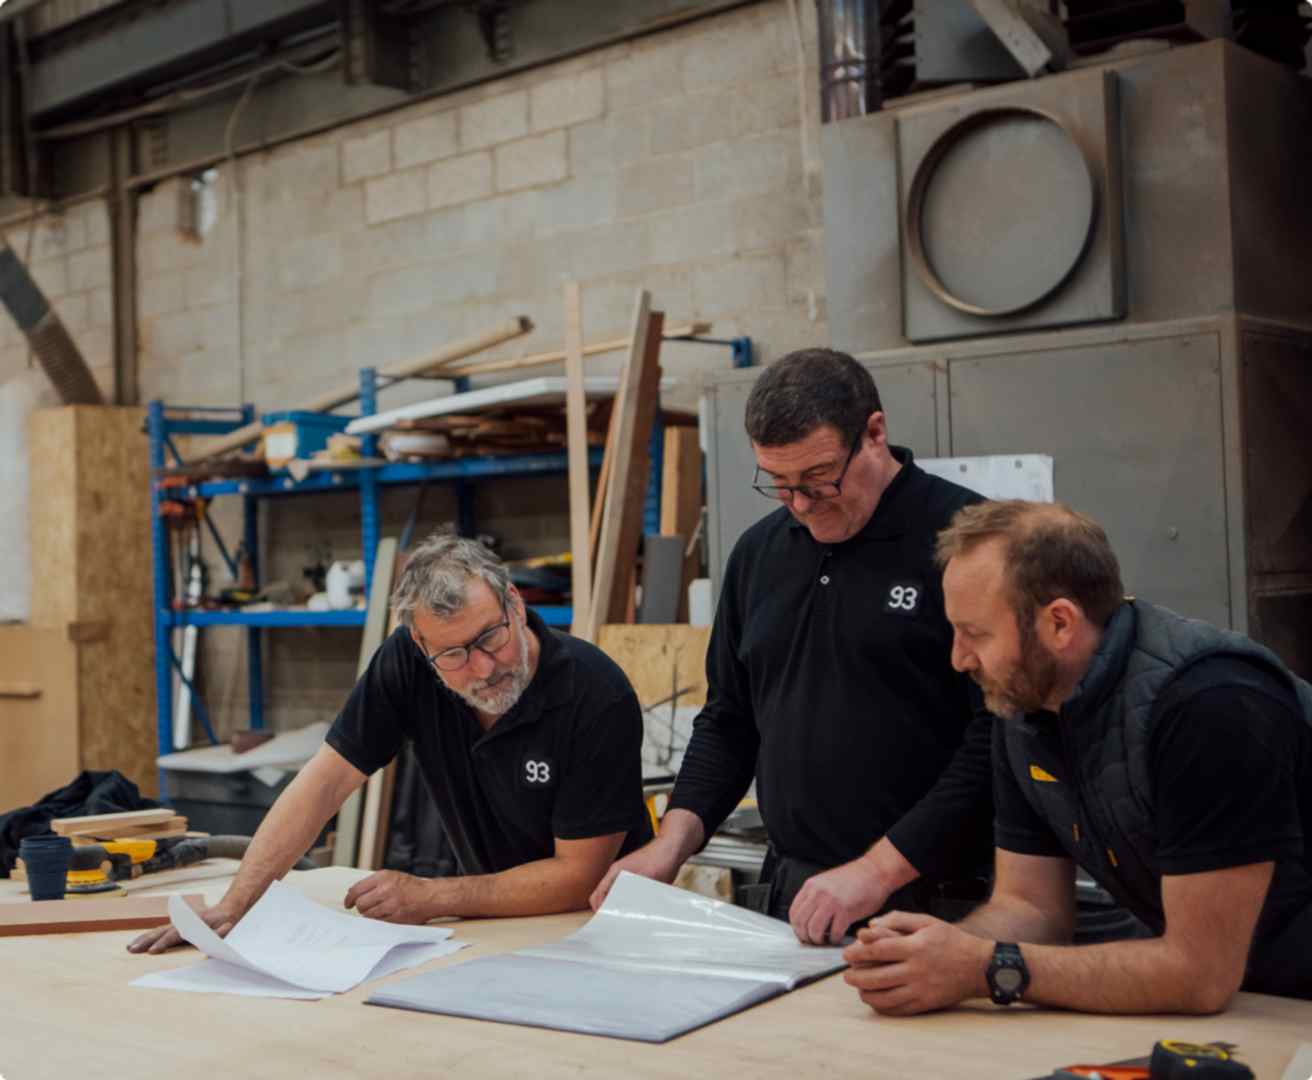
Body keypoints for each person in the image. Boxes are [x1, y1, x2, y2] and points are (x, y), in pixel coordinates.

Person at [844, 500, 1312, 1014]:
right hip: (1249, 1004)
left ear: (1060, 624)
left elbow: (1199, 973)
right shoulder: (1023, 709)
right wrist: (932, 956)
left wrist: (983, 967)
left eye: (975, 633)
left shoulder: (1209, 705)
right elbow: (1032, 908)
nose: (958, 659)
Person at [592, 348, 994, 944]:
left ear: (875, 434)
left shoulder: (968, 540)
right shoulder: (759, 554)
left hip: (941, 898)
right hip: (799, 894)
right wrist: (670, 844)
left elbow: (997, 739)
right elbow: (730, 719)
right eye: (780, 486)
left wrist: (879, 869)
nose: (803, 506)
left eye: (819, 479)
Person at [130, 532, 652, 953]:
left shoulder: (592, 693)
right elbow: (327, 780)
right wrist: (234, 905)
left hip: (601, 930)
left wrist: (433, 895)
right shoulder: (405, 664)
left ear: (514, 604)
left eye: (491, 637)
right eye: (453, 656)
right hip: (497, 928)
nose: (484, 668)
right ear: (418, 644)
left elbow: (579, 875)